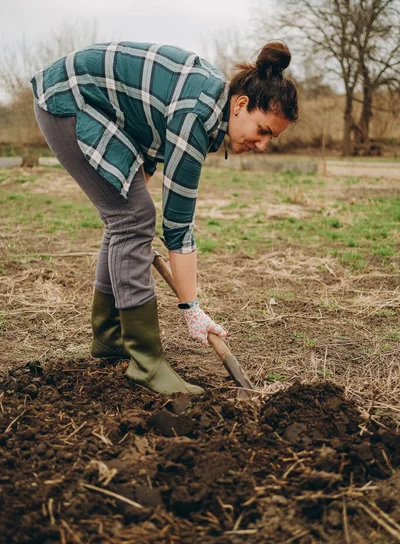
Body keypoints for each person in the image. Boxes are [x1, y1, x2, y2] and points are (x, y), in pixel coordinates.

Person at [31, 40, 298, 396]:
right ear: (241, 104)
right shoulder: (198, 115)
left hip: (104, 108)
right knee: (131, 217)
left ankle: (110, 338)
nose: (263, 145)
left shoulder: (211, 103)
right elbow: (179, 227)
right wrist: (192, 308)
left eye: (271, 139)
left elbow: (147, 118)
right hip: (70, 99)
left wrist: (139, 177)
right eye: (263, 130)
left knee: (128, 214)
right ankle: (146, 363)